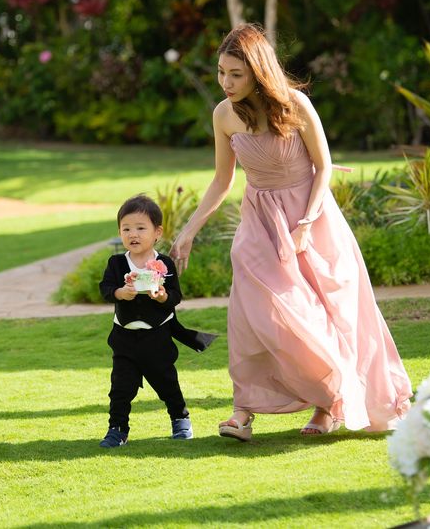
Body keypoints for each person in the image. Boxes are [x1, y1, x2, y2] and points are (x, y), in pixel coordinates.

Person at [170, 23, 412, 441]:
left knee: (320, 315)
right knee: (252, 314)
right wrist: (189, 231)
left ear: (258, 72)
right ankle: (243, 410)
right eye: (221, 72)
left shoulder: (295, 104)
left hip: (310, 218)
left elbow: (324, 166)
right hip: (259, 222)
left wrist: (306, 224)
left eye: (236, 74)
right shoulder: (224, 114)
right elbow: (222, 180)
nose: (226, 83)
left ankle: (328, 403)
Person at [99, 194, 217, 448]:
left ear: (157, 232)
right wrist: (120, 293)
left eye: (141, 228)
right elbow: (105, 289)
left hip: (157, 337)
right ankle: (117, 429)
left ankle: (180, 419)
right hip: (125, 338)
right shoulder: (117, 263)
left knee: (167, 382)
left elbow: (175, 296)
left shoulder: (163, 264)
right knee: (120, 387)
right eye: (126, 229)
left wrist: (163, 296)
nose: (133, 234)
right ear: (119, 232)